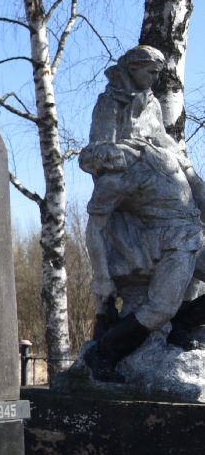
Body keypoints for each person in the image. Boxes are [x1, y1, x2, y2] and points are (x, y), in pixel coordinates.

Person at [78, 45, 205, 379]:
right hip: (163, 237)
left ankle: (185, 326)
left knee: (170, 311)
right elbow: (94, 158)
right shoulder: (119, 148)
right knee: (159, 308)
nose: (155, 78)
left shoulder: (157, 123)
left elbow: (168, 146)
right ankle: (105, 354)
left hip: (193, 233)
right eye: (149, 71)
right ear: (133, 68)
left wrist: (182, 163)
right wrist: (102, 278)